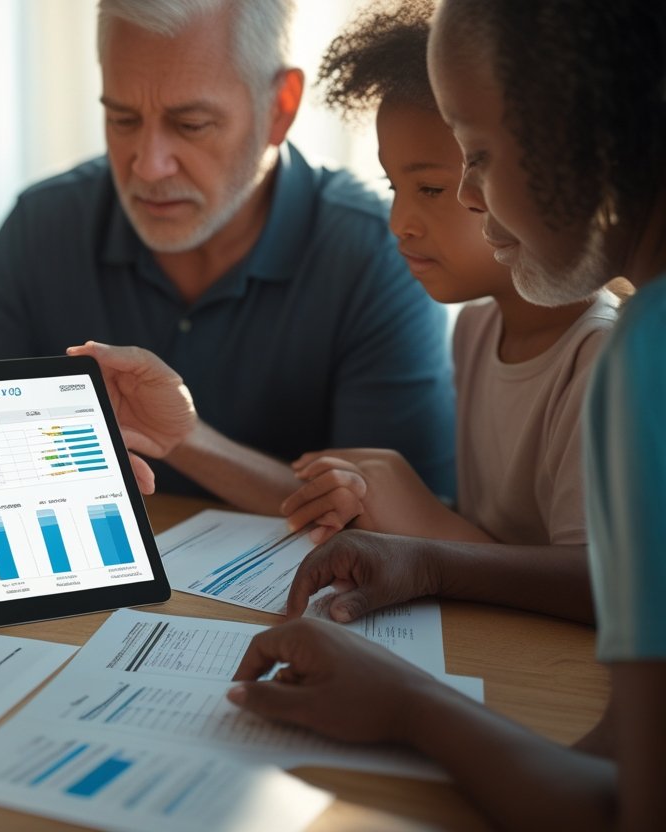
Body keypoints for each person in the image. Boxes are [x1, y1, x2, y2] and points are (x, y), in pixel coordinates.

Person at [227, 0, 666, 827]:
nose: (466, 194)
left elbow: (618, 806)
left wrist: (406, 705)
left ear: (584, 130)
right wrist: (427, 562)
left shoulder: (639, 355)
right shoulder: (491, 330)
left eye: (478, 156)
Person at [0, 0, 457, 509]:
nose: (148, 166)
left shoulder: (378, 252)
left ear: (280, 107)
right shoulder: (44, 225)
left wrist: (185, 439)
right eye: (123, 120)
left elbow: (403, 527)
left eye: (190, 125)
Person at [267, 0, 618, 626]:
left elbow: (606, 588)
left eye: (430, 188)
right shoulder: (479, 327)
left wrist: (426, 530)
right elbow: (492, 535)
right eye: (393, 188)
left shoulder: (602, 358)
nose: (400, 222)